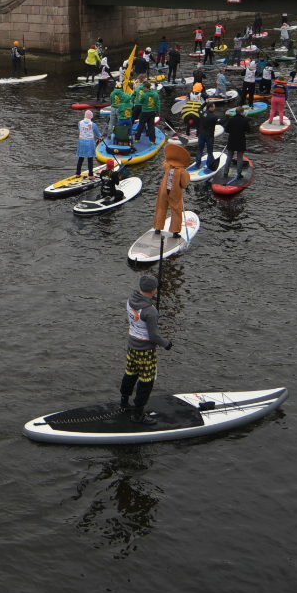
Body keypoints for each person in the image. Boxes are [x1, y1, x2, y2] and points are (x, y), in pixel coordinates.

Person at [120, 273, 171, 424]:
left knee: (130, 373)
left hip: (132, 347)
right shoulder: (151, 311)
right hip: (145, 351)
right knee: (146, 381)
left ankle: (124, 401)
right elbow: (154, 337)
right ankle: (138, 415)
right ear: (153, 290)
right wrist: (166, 343)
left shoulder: (130, 301)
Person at [151, 139, 191, 239]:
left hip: (164, 191)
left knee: (161, 208)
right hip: (175, 193)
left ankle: (158, 228)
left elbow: (164, 162)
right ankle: (175, 232)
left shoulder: (167, 166)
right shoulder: (182, 171)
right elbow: (185, 184)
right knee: (176, 210)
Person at [223, 105, 251, 179]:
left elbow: (226, 130)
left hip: (231, 140)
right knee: (239, 158)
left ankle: (225, 173)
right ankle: (239, 174)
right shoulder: (244, 120)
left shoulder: (231, 120)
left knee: (229, 156)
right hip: (240, 141)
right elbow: (248, 130)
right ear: (241, 112)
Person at [74, 109, 103, 176]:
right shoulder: (93, 124)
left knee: (80, 158)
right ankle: (91, 175)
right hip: (90, 142)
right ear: (91, 117)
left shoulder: (80, 123)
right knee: (90, 159)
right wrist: (100, 137)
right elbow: (97, 134)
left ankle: (78, 173)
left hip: (81, 142)